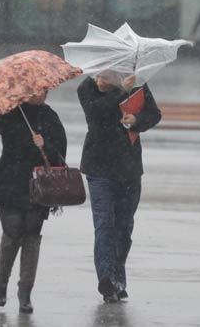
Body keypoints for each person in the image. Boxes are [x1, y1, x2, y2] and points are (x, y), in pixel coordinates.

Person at [77, 70, 161, 303]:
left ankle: (117, 278)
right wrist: (121, 91)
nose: (102, 79)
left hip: (129, 168)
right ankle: (106, 279)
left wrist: (137, 120)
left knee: (124, 228)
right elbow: (97, 113)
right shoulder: (86, 88)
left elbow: (154, 114)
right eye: (101, 75)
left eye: (108, 75)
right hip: (99, 168)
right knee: (104, 224)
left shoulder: (137, 84)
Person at [0, 92, 67, 314]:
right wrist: (25, 135)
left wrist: (45, 144)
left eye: (45, 91)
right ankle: (1, 285)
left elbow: (60, 153)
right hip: (9, 181)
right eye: (37, 90)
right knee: (12, 234)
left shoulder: (49, 116)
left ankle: (25, 293)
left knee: (31, 237)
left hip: (38, 185)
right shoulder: (10, 112)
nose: (42, 94)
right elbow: (2, 128)